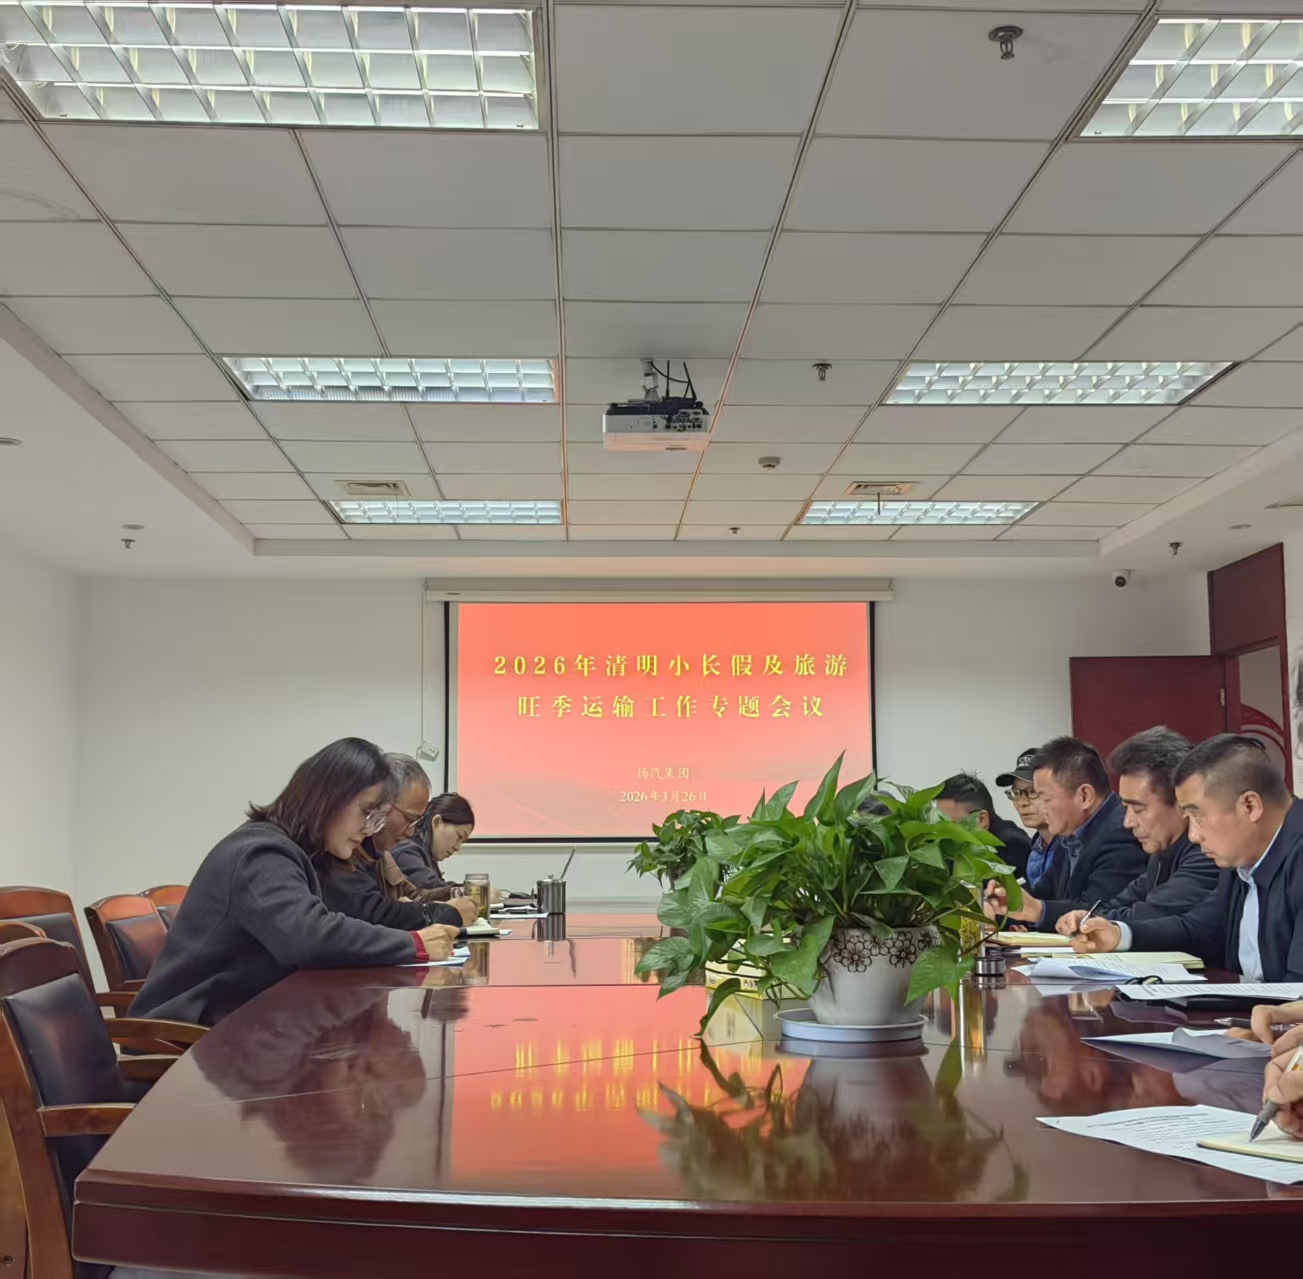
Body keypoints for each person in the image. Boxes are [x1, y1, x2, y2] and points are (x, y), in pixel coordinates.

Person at [130, 738, 460, 1026]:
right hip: (185, 1034)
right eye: (367, 813)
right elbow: (310, 937)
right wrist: (414, 944)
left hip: (240, 1021)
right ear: (329, 798)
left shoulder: (302, 854)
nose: (368, 829)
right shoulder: (261, 853)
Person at [1073, 734, 1303, 981]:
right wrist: (1120, 935)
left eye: (1198, 816)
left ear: (1250, 806)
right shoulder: (1241, 860)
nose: (1193, 835)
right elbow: (1199, 930)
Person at [1055, 727, 1219, 933]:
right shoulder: (1161, 854)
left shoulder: (1208, 854)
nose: (1128, 822)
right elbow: (1120, 904)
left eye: (1138, 809)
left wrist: (1093, 923)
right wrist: (1087, 917)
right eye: (1126, 808)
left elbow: (1151, 913)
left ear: (1181, 801)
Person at [986, 736, 1147, 930]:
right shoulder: (1069, 833)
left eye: (1044, 798)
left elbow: (1098, 912)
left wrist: (1037, 910)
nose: (1040, 808)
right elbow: (1042, 896)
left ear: (1084, 796)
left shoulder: (1121, 833)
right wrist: (1002, 906)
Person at [318, 755, 476, 931]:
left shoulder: (380, 853)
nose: (410, 832)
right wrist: (443, 913)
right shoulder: (343, 850)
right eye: (408, 818)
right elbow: (375, 912)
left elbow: (412, 896)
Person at [935, 772, 1032, 877]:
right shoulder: (944, 846)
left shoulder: (1011, 846)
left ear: (981, 820)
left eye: (949, 825)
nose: (940, 832)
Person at [393, 793, 476, 894]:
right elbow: (432, 888)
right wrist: (475, 892)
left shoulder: (425, 854)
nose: (458, 848)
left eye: (462, 842)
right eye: (459, 836)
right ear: (436, 821)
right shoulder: (406, 851)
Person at [995, 748, 1055, 889]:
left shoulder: (1076, 848)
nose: (1022, 802)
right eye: (1016, 793)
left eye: (1032, 791)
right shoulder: (1037, 848)